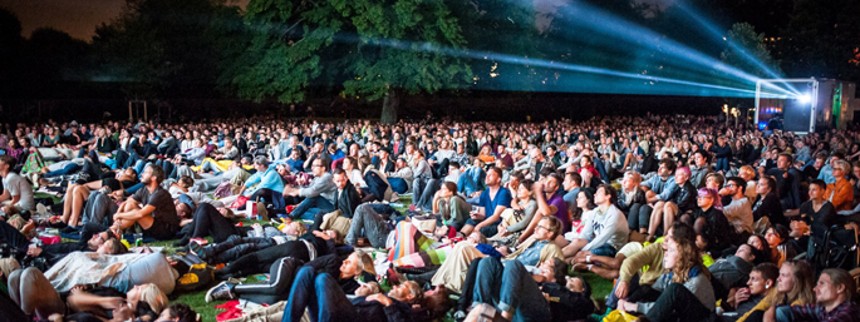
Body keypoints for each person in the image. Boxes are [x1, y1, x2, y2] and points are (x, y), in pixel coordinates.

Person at [617, 223, 716, 321]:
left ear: (683, 255)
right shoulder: (673, 272)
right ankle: (619, 309)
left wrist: (636, 307)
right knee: (645, 289)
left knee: (674, 290)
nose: (666, 254)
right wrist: (628, 303)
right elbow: (656, 293)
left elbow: (667, 308)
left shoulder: (695, 281)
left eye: (671, 250)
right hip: (678, 314)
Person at [113, 164, 180, 240]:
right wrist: (118, 214)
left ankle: (112, 231)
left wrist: (119, 215)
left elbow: (140, 214)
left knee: (136, 212)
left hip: (166, 230)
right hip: (152, 223)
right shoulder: (144, 189)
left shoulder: (160, 194)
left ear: (154, 178)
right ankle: (115, 229)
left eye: (146, 172)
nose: (142, 174)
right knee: (130, 205)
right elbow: (127, 202)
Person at [562, 183, 628, 259]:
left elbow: (603, 238)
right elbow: (585, 234)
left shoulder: (614, 214)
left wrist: (583, 249)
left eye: (599, 193)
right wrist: (578, 244)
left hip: (612, 247)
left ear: (608, 196)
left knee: (583, 255)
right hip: (597, 243)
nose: (594, 195)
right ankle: (553, 258)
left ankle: (563, 260)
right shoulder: (595, 212)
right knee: (577, 242)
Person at [781, 268, 860, 321]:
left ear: (839, 288)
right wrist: (774, 311)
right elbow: (791, 310)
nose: (815, 289)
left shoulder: (849, 311)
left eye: (821, 284)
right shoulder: (823, 309)